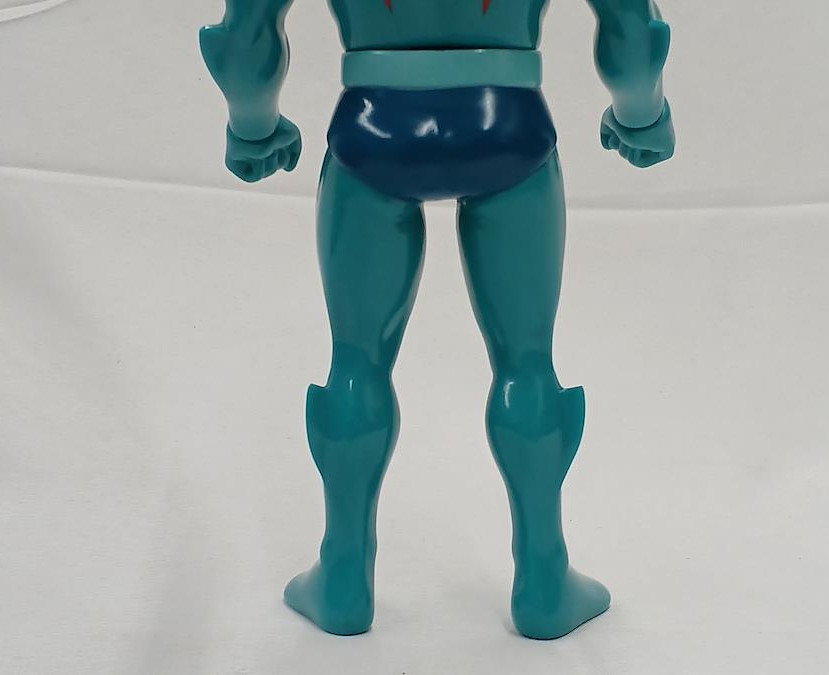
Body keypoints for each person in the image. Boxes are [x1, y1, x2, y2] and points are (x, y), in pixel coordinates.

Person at [200, 0, 675, 640]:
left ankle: (343, 576)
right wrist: (641, 114)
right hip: (507, 127)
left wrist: (254, 126)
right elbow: (631, 30)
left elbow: (247, 35)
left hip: (373, 131)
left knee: (356, 362)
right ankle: (544, 579)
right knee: (526, 362)